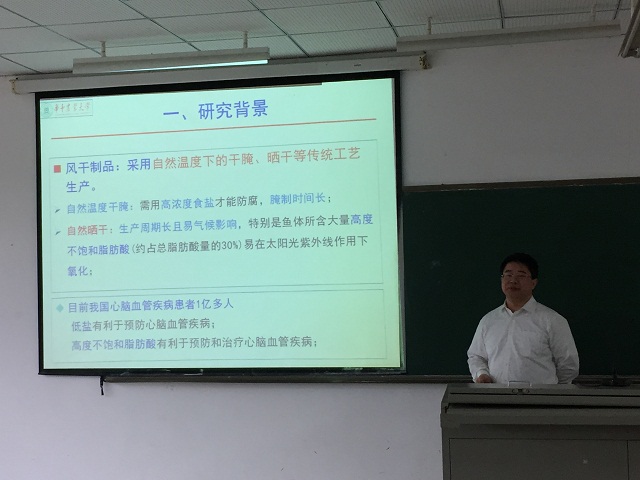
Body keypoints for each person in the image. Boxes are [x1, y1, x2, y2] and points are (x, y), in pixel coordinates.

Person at [467, 252, 579, 385]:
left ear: (533, 283)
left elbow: (568, 366)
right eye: (508, 275)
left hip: (540, 397)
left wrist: (550, 391)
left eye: (521, 275)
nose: (513, 280)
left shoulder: (553, 320)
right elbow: (476, 356)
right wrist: (481, 374)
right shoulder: (488, 321)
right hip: (496, 396)